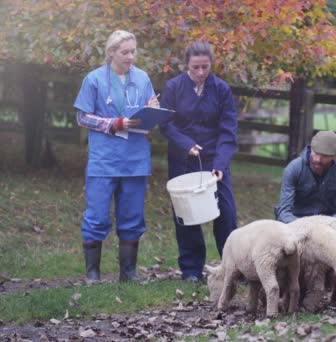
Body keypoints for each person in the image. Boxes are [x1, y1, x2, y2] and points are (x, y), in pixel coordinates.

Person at [73, 30, 160, 283]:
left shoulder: (143, 78)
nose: (131, 57)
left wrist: (155, 111)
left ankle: (128, 273)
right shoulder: (94, 80)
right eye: (125, 52)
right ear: (111, 52)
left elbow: (152, 105)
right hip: (104, 160)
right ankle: (93, 274)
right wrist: (114, 123)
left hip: (135, 160)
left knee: (132, 216)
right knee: (97, 215)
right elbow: (82, 117)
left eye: (133, 51)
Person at [159, 41, 238, 282]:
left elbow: (228, 130)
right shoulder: (173, 87)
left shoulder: (221, 89)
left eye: (205, 67)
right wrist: (185, 144)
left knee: (226, 213)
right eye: (195, 67)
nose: (201, 73)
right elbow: (165, 124)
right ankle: (192, 270)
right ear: (187, 66)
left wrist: (220, 165)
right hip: (183, 160)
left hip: (215, 161)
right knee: (186, 216)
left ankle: (234, 267)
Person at [275, 130, 336, 223]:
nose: (317, 159)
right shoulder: (294, 168)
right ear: (311, 148)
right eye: (315, 153)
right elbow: (283, 211)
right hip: (296, 221)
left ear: (335, 156)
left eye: (324, 156)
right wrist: (302, 226)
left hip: (329, 220)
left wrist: (332, 221)